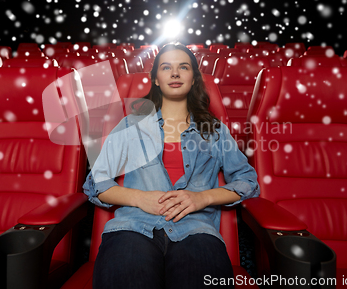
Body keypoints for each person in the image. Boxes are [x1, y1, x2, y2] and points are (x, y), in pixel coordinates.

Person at [83, 42, 259, 289]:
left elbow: (247, 181)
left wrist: (203, 198)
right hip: (133, 227)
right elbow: (96, 182)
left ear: (194, 78)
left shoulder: (215, 130)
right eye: (166, 67)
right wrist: (139, 198)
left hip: (197, 230)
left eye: (183, 67)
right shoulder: (131, 124)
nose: (175, 73)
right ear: (155, 78)